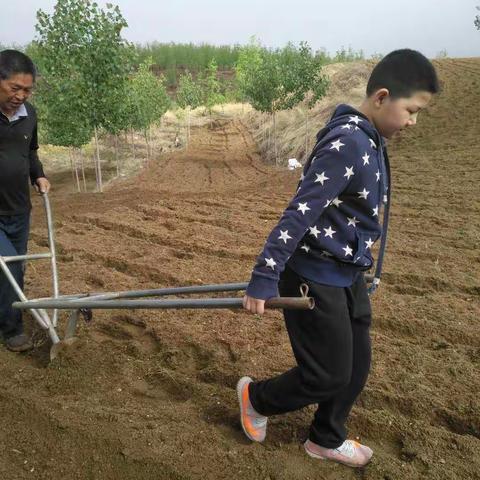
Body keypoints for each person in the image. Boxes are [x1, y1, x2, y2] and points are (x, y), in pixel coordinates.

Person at [237, 49, 439, 468]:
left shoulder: (370, 139)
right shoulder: (348, 143)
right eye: (411, 110)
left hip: (349, 272)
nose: (413, 122)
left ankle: (326, 438)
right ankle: (255, 398)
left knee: (356, 365)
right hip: (313, 273)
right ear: (382, 97)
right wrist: (265, 275)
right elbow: (299, 211)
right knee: (327, 373)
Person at [0, 50, 50, 352]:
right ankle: (12, 330)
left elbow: (30, 152)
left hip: (20, 209)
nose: (21, 95)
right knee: (11, 270)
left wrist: (39, 176)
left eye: (27, 90)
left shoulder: (29, 115)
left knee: (16, 268)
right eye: (14, 88)